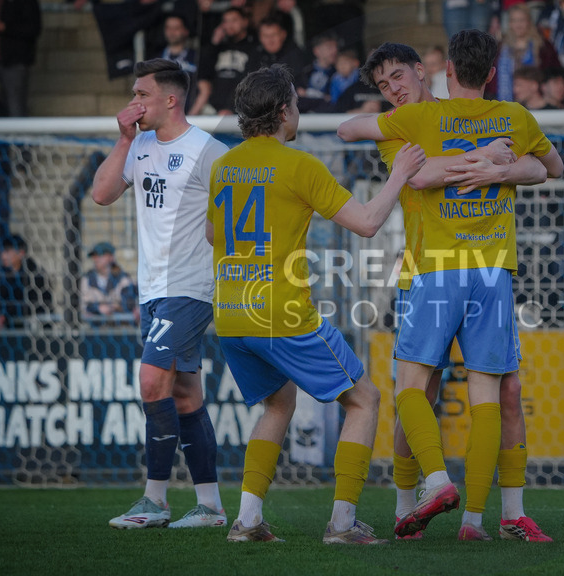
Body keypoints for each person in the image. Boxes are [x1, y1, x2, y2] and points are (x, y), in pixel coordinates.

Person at [337, 30, 563, 541]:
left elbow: (539, 167)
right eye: (382, 82)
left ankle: (477, 514)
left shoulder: (428, 117)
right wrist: (489, 158)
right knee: (439, 391)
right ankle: (418, 503)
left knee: (437, 388)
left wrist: (506, 165)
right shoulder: (409, 124)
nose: (392, 87)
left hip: (443, 271)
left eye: (397, 75)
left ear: (429, 71)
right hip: (471, 270)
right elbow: (416, 176)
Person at [211, 63, 425, 544]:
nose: (300, 110)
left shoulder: (225, 165)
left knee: (278, 402)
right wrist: (401, 173)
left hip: (229, 313)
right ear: (284, 111)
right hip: (280, 312)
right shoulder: (300, 164)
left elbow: (212, 233)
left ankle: (246, 522)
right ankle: (344, 524)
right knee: (364, 400)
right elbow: (368, 222)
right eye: (297, 102)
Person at [93, 59, 229, 529]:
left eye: (141, 95)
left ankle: (155, 500)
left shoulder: (208, 151)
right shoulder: (140, 144)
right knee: (186, 393)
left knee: (152, 380)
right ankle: (210, 506)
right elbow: (101, 194)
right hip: (153, 289)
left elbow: (228, 221)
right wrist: (126, 138)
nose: (134, 103)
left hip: (189, 287)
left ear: (170, 99)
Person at [0, 0, 41, 117]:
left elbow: (34, 29)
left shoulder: (27, 2)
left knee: (15, 106)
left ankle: (18, 134)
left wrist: (4, 27)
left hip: (14, 62)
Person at [192, 7, 256, 115]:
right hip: (213, 108)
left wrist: (231, 107)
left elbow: (250, 82)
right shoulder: (218, 47)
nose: (229, 25)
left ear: (245, 22)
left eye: (234, 20)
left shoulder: (254, 47)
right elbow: (202, 73)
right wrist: (214, 43)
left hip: (240, 110)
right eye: (226, 21)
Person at [490, 4, 560, 102]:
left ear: (529, 22)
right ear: (509, 23)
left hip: (536, 101)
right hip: (505, 101)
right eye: (514, 20)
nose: (518, 25)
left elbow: (553, 71)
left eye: (522, 20)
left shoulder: (543, 46)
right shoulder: (500, 47)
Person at [0, 233, 51, 329]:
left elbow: (33, 306)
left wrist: (5, 315)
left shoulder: (35, 275)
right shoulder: (2, 274)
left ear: (21, 253)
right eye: (2, 251)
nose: (3, 256)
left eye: (7, 251)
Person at [80, 241, 137, 322]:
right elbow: (84, 305)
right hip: (94, 329)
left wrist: (114, 307)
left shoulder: (123, 279)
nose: (95, 259)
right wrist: (98, 308)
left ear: (111, 257)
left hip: (120, 328)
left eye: (100, 255)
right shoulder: (87, 279)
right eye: (94, 256)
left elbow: (129, 303)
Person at [159, 14, 199, 112]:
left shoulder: (196, 57)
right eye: (168, 28)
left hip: (189, 116)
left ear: (186, 31)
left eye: (176, 28)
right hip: (161, 116)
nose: (172, 32)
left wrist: (191, 119)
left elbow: (205, 89)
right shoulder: (156, 58)